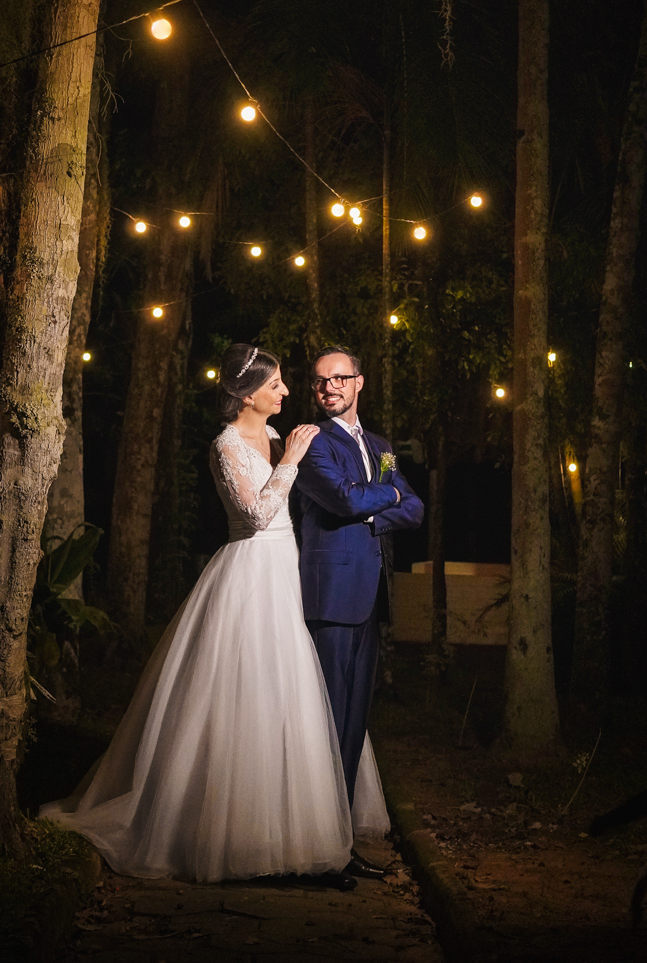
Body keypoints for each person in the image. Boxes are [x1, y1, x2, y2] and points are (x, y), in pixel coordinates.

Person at [41, 343, 388, 889]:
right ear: (248, 395)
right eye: (275, 384)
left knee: (294, 702)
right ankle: (244, 840)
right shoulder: (227, 445)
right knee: (248, 701)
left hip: (289, 571)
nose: (286, 391)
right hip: (250, 574)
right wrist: (291, 463)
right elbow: (256, 514)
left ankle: (309, 840)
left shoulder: (279, 436)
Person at [296, 345, 424, 880]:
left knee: (352, 726)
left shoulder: (381, 447)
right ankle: (311, 847)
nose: (328, 387)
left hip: (370, 598)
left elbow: (415, 509)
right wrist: (386, 498)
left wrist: (380, 503)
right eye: (320, 380)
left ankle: (339, 845)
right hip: (330, 597)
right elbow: (344, 501)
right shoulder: (311, 442)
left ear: (359, 382)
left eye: (339, 378)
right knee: (324, 721)